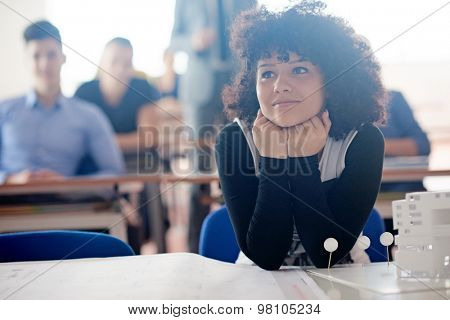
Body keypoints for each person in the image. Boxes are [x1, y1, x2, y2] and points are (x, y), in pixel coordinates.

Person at [216, 1, 387, 270]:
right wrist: (274, 159)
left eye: (299, 69)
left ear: (331, 81)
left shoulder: (363, 141)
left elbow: (326, 254)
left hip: (344, 278)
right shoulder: (235, 140)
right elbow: (265, 257)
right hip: (258, 282)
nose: (280, 86)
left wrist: (303, 158)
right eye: (268, 73)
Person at [170, 0, 256, 253]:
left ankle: (245, 242)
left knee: (243, 162)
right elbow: (175, 39)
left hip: (238, 81)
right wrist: (192, 42)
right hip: (199, 89)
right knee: (199, 171)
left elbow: (256, 31)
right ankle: (195, 248)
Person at [0, 20, 124, 185]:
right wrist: (10, 180)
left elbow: (115, 173)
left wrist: (67, 183)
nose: (45, 64)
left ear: (63, 58)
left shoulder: (89, 116)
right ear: (26, 61)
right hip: (7, 205)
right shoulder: (4, 111)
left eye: (51, 55)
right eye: (36, 56)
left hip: (66, 205)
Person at [75, 38, 166, 253]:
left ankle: (144, 239)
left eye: (127, 63)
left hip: (137, 163)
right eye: (114, 61)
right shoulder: (84, 92)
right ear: (101, 64)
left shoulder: (142, 87)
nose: (120, 68)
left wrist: (100, 142)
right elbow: (78, 143)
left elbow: (149, 138)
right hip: (97, 167)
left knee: (149, 179)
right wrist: (127, 140)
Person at [379, 90, 431, 192]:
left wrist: (374, 146)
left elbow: (422, 146)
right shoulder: (341, 105)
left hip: (403, 188)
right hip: (359, 192)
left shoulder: (393, 99)